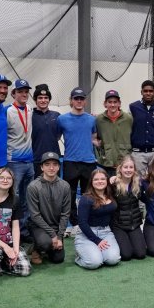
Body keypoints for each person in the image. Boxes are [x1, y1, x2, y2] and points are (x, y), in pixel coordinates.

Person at [58, 87, 98, 236]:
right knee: (70, 195)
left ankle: (88, 222)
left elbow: (94, 137)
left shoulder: (91, 119)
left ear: (85, 101)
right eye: (76, 98)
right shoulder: (62, 119)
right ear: (71, 101)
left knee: (90, 195)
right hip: (70, 162)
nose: (79, 101)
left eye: (81, 99)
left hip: (88, 162)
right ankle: (73, 224)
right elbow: (55, 136)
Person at [26, 152, 70, 264]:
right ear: (41, 167)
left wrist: (59, 236)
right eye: (47, 164)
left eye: (55, 164)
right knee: (45, 243)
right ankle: (38, 247)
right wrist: (53, 235)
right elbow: (35, 216)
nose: (51, 167)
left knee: (58, 259)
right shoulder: (33, 187)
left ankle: (44, 246)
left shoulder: (65, 186)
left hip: (56, 227)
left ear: (59, 167)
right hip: (38, 226)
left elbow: (65, 213)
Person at [74, 169, 121, 269]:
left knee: (113, 260)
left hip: (106, 232)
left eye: (103, 179)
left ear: (107, 180)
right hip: (87, 234)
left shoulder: (110, 195)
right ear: (91, 182)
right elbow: (82, 223)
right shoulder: (86, 199)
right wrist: (97, 241)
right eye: (96, 179)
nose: (100, 181)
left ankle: (97, 252)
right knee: (94, 263)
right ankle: (79, 257)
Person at [6, 79, 35, 236]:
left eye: (26, 91)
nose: (24, 94)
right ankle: (10, 231)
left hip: (29, 162)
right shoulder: (8, 111)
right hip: (14, 163)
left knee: (27, 198)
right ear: (13, 93)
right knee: (14, 199)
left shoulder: (30, 109)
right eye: (20, 91)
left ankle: (24, 232)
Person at [110, 156, 147, 261]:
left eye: (131, 167)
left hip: (134, 224)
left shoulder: (138, 183)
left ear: (134, 169)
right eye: (125, 167)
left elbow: (147, 196)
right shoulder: (113, 184)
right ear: (120, 169)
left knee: (141, 254)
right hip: (119, 225)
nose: (128, 170)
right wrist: (109, 180)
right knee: (126, 255)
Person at [130, 80, 154, 178]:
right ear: (141, 92)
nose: (148, 93)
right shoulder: (133, 107)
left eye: (151, 91)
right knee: (138, 181)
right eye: (145, 91)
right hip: (138, 153)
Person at [96, 89, 132, 177]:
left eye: (115, 102)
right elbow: (95, 136)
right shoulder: (99, 120)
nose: (112, 105)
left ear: (119, 103)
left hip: (124, 163)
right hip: (106, 163)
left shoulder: (128, 119)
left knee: (123, 189)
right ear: (105, 104)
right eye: (110, 102)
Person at [31, 84, 61, 178]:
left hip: (54, 159)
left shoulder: (56, 115)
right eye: (40, 98)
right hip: (36, 159)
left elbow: (58, 135)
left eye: (46, 97)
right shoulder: (29, 115)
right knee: (37, 188)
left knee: (55, 187)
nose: (43, 100)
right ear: (35, 100)